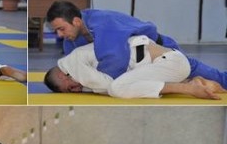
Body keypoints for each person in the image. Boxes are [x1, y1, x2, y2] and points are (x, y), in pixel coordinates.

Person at [45, 0, 227, 89]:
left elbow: (114, 63)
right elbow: (76, 70)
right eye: (56, 31)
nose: (60, 35)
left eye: (61, 29)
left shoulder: (103, 22)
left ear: (76, 21)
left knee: (201, 73)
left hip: (159, 50)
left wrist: (100, 85)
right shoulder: (71, 42)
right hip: (138, 64)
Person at [43, 35, 225, 100]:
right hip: (170, 63)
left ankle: (188, 88)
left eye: (70, 88)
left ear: (62, 76)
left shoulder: (73, 64)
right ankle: (195, 83)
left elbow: (107, 85)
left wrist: (93, 89)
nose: (77, 90)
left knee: (116, 88)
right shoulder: (75, 59)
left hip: (169, 63)